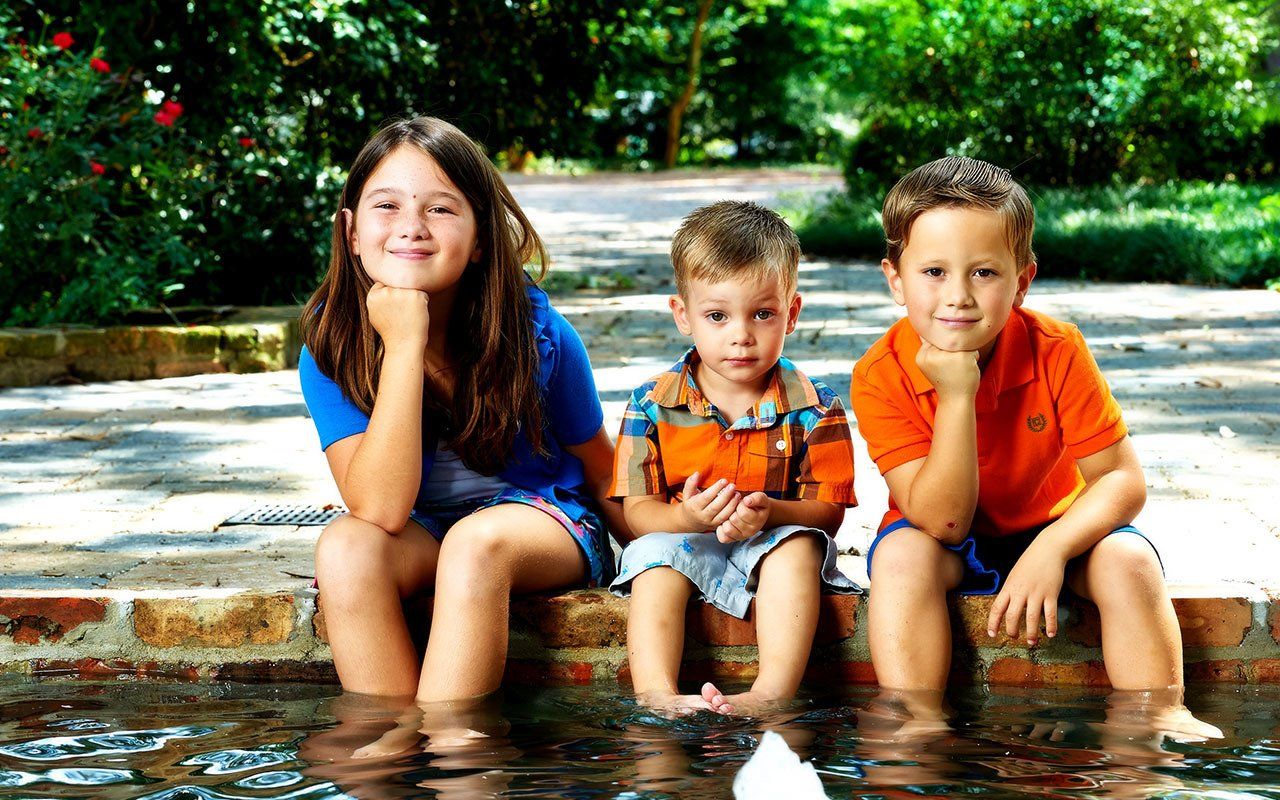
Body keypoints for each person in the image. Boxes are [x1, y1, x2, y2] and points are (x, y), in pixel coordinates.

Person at [850, 156, 1219, 737]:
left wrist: (1051, 548)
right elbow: (944, 522)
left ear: (1022, 281)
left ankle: (1159, 712)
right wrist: (956, 396)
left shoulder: (1058, 348)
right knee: (900, 559)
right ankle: (916, 717)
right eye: (934, 272)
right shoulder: (880, 373)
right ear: (895, 279)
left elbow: (1122, 481)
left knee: (1130, 558)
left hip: (1055, 529)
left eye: (984, 273)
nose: (959, 297)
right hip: (944, 540)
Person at [298, 116, 623, 702]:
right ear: (350, 231)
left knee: (476, 544)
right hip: (420, 527)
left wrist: (669, 544)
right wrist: (404, 344)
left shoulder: (537, 336)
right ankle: (391, 752)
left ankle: (456, 760)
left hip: (541, 524)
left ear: (479, 239)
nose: (411, 228)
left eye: (441, 209)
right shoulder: (332, 346)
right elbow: (378, 508)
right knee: (345, 547)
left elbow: (602, 469)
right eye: (386, 206)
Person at [608, 200, 859, 715]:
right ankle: (655, 694)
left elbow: (828, 513)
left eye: (763, 314)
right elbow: (637, 515)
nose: (741, 334)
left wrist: (774, 512)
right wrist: (685, 516)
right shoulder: (651, 404)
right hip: (683, 541)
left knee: (798, 550)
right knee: (654, 561)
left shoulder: (816, 406)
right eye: (717, 315)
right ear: (683, 315)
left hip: (773, 539)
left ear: (791, 313)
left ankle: (771, 694)